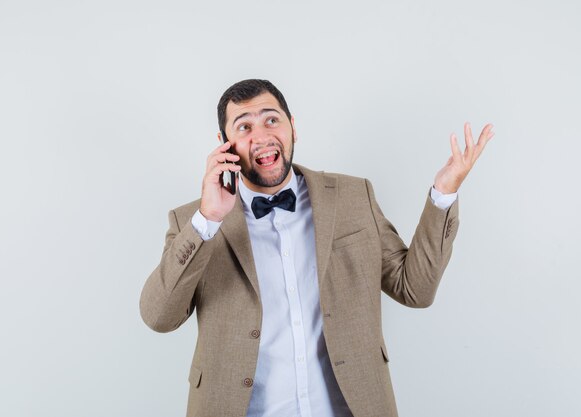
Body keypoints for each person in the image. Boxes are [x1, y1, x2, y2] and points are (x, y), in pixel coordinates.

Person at [140, 79, 494, 417]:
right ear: (224, 143)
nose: (261, 136)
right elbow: (158, 317)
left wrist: (443, 195)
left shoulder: (354, 197)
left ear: (293, 127)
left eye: (271, 120)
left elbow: (415, 289)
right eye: (244, 127)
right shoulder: (194, 221)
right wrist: (208, 220)